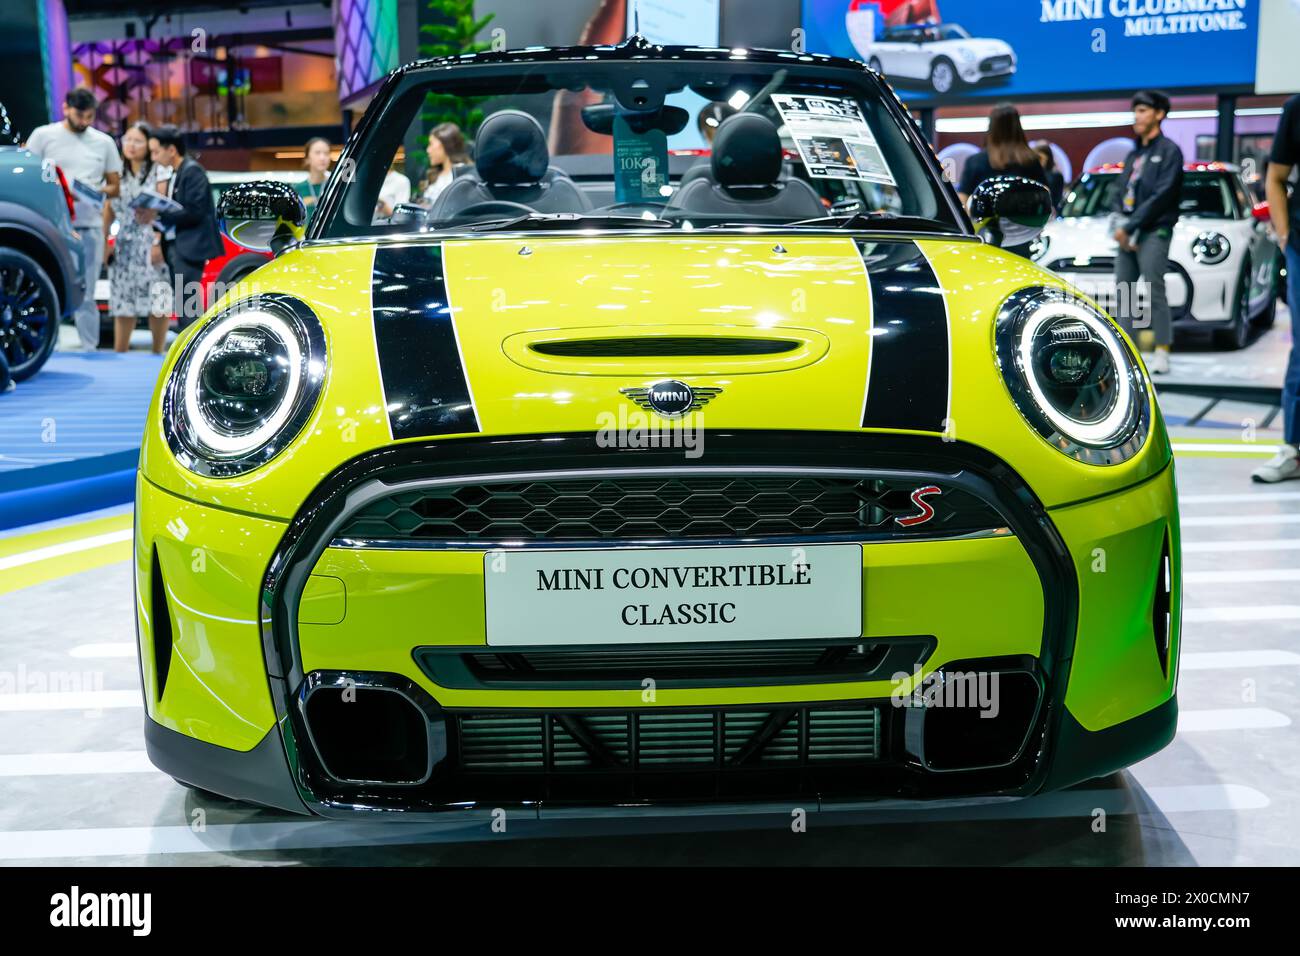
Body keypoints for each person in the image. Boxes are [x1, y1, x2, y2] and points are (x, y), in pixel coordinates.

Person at [23, 88, 122, 351]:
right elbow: (29, 176)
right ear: (66, 108)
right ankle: (43, 347)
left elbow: (116, 185)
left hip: (89, 225)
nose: (84, 121)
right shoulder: (43, 136)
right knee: (46, 287)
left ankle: (90, 349)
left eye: (90, 116)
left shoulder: (104, 142)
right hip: (52, 226)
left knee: (87, 292)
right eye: (80, 115)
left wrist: (97, 192)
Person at [1112, 90, 1183, 376]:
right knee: (1125, 292)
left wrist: (1131, 226)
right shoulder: (1134, 153)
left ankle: (1162, 350)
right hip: (1126, 231)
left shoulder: (1169, 151)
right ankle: (1128, 350)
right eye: (1136, 110)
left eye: (1143, 110)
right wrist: (1120, 223)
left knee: (1154, 290)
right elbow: (1120, 190)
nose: (1137, 116)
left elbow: (1162, 196)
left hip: (1154, 230)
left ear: (1159, 114)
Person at [1253, 93, 1300, 483]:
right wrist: (1285, 238)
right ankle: (1294, 449)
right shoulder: (1296, 108)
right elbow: (1276, 177)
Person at [141, 125, 223, 330]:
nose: (153, 157)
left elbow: (195, 211)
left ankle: (191, 350)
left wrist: (159, 214)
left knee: (188, 305)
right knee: (185, 302)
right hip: (181, 245)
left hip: (191, 246)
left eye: (156, 151)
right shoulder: (180, 171)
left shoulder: (192, 171)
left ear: (171, 150)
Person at [104, 122, 171, 353]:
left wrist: (158, 240)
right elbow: (108, 210)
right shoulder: (116, 173)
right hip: (124, 243)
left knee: (159, 298)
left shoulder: (160, 170)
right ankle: (120, 354)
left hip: (152, 239)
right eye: (127, 139)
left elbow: (163, 207)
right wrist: (105, 242)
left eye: (138, 140)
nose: (131, 145)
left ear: (149, 144)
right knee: (122, 301)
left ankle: (158, 352)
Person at [956, 103, 1049, 257]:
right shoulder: (1031, 161)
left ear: (991, 128)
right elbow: (1045, 196)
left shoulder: (976, 162)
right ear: (1017, 127)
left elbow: (963, 201)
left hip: (984, 239)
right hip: (1023, 239)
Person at [422, 123, 469, 206]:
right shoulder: (435, 174)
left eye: (431, 144)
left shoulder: (462, 174)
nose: (428, 150)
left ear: (445, 144)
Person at [294, 137, 332, 212]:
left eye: (326, 153)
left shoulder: (335, 185)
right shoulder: (298, 189)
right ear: (307, 158)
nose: (322, 157)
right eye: (317, 153)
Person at [1032, 141, 1065, 210]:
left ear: (1048, 157)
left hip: (1048, 211)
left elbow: (1055, 199)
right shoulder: (1031, 174)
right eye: (1035, 157)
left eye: (1039, 158)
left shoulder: (1056, 176)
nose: (1037, 160)